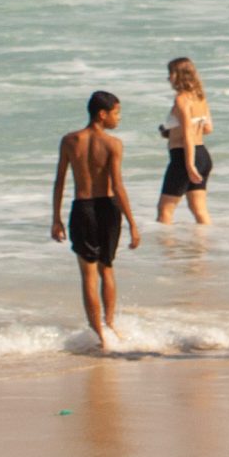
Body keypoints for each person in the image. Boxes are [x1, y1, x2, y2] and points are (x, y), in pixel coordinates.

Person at [52, 91, 139, 349]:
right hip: (109, 209)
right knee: (107, 269)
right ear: (103, 114)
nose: (119, 118)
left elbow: (60, 181)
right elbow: (119, 186)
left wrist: (56, 218)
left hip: (83, 208)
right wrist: (132, 223)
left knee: (88, 274)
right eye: (117, 112)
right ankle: (110, 324)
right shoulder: (113, 144)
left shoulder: (70, 141)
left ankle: (99, 333)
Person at [155, 57, 215, 226]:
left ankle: (165, 250)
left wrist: (189, 165)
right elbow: (208, 128)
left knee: (165, 210)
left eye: (170, 74)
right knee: (199, 209)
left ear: (179, 75)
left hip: (184, 157)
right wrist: (171, 131)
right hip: (202, 155)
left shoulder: (181, 99)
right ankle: (205, 248)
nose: (168, 78)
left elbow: (188, 132)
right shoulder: (200, 97)